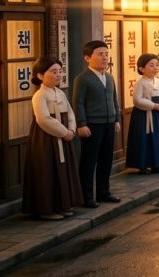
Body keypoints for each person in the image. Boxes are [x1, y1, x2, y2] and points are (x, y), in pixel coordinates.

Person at [23, 57, 82, 220]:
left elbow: (70, 113)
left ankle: (62, 205)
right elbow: (43, 119)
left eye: (59, 71)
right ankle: (46, 209)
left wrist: (71, 128)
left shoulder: (60, 93)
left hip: (63, 138)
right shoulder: (39, 95)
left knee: (62, 170)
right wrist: (64, 132)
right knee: (47, 171)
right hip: (46, 139)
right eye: (53, 72)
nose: (58, 75)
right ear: (40, 75)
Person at [72, 40, 122, 208]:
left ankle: (104, 192)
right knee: (88, 160)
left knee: (106, 159)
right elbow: (78, 103)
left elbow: (114, 99)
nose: (105, 58)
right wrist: (81, 124)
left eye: (106, 54)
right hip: (92, 125)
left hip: (109, 124)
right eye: (100, 54)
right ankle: (86, 196)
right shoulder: (82, 79)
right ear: (87, 58)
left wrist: (116, 119)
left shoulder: (109, 77)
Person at [125, 53, 159, 174]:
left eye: (157, 65)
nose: (155, 68)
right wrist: (153, 105)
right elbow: (137, 100)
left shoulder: (158, 81)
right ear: (141, 68)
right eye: (151, 65)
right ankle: (142, 165)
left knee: (158, 138)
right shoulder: (140, 83)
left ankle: (157, 164)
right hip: (144, 116)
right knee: (144, 139)